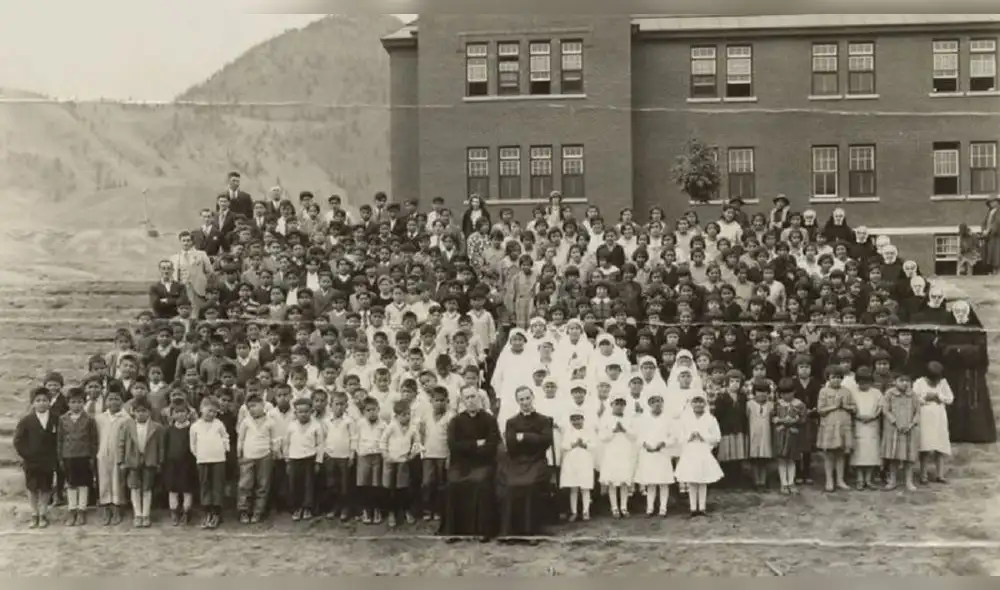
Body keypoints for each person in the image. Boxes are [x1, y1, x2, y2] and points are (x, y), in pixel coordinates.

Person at [440, 387, 500, 540]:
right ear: (462, 401)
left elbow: (492, 445)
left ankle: (482, 530)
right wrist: (476, 444)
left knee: (481, 482)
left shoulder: (489, 419)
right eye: (467, 398)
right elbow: (453, 446)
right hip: (461, 464)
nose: (471, 400)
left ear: (479, 398)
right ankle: (454, 531)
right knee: (453, 483)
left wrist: (468, 447)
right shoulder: (456, 421)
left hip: (483, 463)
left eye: (473, 396)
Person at [498, 387, 555, 538]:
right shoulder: (511, 422)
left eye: (527, 398)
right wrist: (534, 438)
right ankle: (511, 529)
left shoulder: (543, 420)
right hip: (517, 461)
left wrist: (524, 437)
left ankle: (531, 529)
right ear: (517, 401)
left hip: (537, 460)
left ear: (532, 397)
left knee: (530, 485)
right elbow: (511, 445)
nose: (525, 402)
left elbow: (546, 442)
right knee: (510, 485)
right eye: (521, 399)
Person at [14, 388, 59, 528]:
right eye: (38, 400)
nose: (41, 403)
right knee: (32, 487)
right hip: (31, 461)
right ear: (33, 403)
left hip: (48, 460)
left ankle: (43, 513)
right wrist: (27, 455)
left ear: (49, 402)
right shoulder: (26, 420)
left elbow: (59, 439)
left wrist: (55, 457)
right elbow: (18, 441)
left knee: (46, 487)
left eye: (45, 400)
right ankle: (34, 513)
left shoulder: (55, 419)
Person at [118, 397, 165, 528]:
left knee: (147, 488)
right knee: (134, 488)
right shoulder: (127, 426)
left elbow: (161, 447)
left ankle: (146, 515)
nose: (141, 414)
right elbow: (121, 444)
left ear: (149, 412)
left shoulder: (156, 427)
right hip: (133, 461)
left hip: (150, 460)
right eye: (138, 411)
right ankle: (137, 514)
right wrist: (121, 460)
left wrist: (160, 461)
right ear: (133, 412)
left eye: (144, 411)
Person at [674, 393, 723, 517]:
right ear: (691, 404)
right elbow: (679, 437)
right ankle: (692, 508)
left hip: (703, 451)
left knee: (702, 480)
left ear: (705, 404)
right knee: (692, 480)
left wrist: (703, 437)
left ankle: (702, 507)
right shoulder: (685, 419)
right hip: (690, 452)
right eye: (695, 402)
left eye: (701, 402)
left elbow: (717, 437)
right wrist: (689, 437)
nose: (698, 404)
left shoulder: (710, 419)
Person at [56, 387, 98, 526]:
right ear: (68, 403)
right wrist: (60, 457)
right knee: (71, 484)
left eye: (79, 402)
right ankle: (72, 509)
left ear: (84, 403)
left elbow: (93, 440)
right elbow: (60, 439)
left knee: (83, 484)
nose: (76, 405)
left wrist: (92, 457)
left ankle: (81, 510)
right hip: (68, 456)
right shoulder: (63, 419)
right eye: (73, 402)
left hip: (84, 455)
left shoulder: (89, 419)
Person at [236, 393, 278, 524]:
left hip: (265, 456)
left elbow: (274, 439)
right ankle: (244, 510)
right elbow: (241, 439)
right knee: (245, 484)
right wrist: (239, 453)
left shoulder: (270, 422)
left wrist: (274, 453)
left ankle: (258, 511)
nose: (252, 409)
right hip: (248, 456)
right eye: (249, 407)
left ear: (263, 405)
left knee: (263, 485)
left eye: (254, 406)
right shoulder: (246, 422)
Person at [190, 396, 230, 529]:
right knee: (205, 485)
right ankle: (207, 512)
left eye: (215, 412)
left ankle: (217, 512)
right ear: (201, 409)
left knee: (217, 485)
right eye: (209, 411)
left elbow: (225, 437)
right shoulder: (195, 426)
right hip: (203, 460)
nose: (212, 414)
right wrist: (199, 455)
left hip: (218, 459)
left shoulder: (219, 424)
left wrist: (224, 450)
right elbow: (193, 444)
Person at [633, 393, 675, 516]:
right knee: (650, 482)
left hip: (662, 453)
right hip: (648, 453)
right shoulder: (643, 419)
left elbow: (673, 437)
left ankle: (663, 508)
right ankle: (650, 508)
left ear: (662, 403)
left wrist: (664, 443)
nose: (657, 404)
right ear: (649, 404)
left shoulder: (668, 419)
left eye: (659, 401)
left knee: (663, 482)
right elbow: (638, 436)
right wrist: (644, 444)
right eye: (653, 402)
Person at [816, 365, 855, 492]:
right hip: (829, 427)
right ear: (828, 378)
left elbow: (854, 408)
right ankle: (829, 480)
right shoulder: (824, 391)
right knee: (829, 455)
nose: (836, 380)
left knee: (840, 454)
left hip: (843, 427)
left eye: (839, 377)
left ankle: (840, 480)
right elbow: (820, 410)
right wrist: (834, 406)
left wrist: (846, 406)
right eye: (833, 377)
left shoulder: (846, 391)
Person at [283, 397, 324, 522]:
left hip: (309, 459)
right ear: (295, 413)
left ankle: (307, 507)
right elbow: (286, 444)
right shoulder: (291, 426)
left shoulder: (316, 425)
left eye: (306, 411)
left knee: (309, 484)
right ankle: (296, 507)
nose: (303, 414)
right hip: (294, 459)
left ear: (311, 411)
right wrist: (287, 460)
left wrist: (318, 461)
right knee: (295, 484)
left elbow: (320, 444)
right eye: (300, 412)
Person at [913, 362, 953, 484]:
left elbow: (950, 398)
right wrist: (925, 398)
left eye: (937, 379)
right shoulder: (919, 382)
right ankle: (923, 475)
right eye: (932, 379)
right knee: (925, 447)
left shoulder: (943, 383)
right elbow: (914, 398)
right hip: (925, 417)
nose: (935, 382)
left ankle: (940, 475)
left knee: (940, 446)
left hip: (939, 417)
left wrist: (939, 396)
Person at [881, 373, 921, 491]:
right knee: (893, 456)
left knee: (909, 457)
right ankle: (892, 480)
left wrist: (911, 424)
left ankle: (909, 481)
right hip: (894, 429)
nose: (904, 383)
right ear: (895, 381)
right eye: (901, 380)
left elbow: (918, 412)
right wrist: (895, 423)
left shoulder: (913, 395)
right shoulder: (889, 394)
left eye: (907, 381)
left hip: (909, 430)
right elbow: (885, 410)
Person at [163, 403, 197, 526]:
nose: (180, 414)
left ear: (188, 414)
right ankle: (174, 511)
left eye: (183, 412)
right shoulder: (169, 430)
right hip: (172, 464)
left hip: (188, 463)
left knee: (187, 488)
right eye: (177, 412)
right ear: (172, 415)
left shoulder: (192, 429)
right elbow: (165, 447)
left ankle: (186, 511)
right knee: (173, 489)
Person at [849, 367, 883, 490]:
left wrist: (873, 416)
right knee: (859, 452)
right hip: (858, 424)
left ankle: (868, 479)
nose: (864, 385)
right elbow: (850, 406)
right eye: (861, 382)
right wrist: (857, 416)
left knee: (871, 452)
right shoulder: (852, 392)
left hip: (872, 424)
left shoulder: (876, 393)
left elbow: (880, 407)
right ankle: (859, 479)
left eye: (867, 382)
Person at [559, 410, 596, 521]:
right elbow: (563, 446)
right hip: (571, 462)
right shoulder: (568, 432)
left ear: (583, 419)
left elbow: (594, 445)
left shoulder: (588, 431)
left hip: (585, 461)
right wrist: (573, 444)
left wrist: (584, 445)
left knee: (585, 488)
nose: (576, 422)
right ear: (570, 421)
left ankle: (586, 511)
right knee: (573, 488)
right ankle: (574, 512)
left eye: (578, 419)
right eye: (573, 420)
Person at [772, 378, 806, 494]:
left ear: (794, 391)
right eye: (783, 393)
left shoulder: (799, 404)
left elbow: (803, 419)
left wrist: (795, 420)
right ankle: (784, 483)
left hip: (793, 435)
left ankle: (791, 482)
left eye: (788, 393)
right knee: (782, 459)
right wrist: (779, 420)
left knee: (791, 459)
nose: (786, 396)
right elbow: (772, 418)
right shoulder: (777, 404)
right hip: (781, 435)